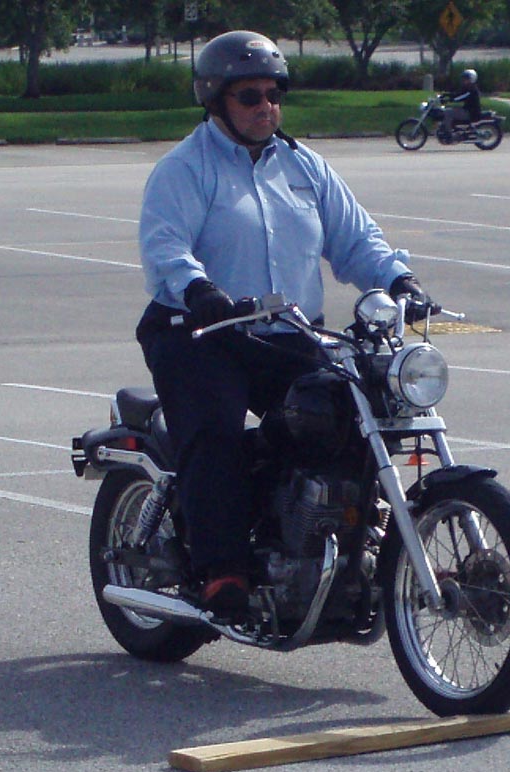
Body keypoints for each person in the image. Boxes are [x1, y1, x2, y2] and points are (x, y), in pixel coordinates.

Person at [135, 30, 437, 623]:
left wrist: (399, 280)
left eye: (275, 95)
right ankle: (223, 571)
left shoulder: (304, 167)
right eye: (250, 96)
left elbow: (357, 241)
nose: (266, 107)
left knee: (352, 412)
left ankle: (340, 544)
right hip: (199, 332)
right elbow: (165, 245)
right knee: (215, 430)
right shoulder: (185, 168)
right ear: (216, 100)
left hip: (288, 332)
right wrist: (198, 289)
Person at [441, 69, 482, 137]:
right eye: (463, 78)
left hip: (471, 113)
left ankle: (448, 133)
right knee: (448, 109)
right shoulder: (467, 87)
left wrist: (450, 100)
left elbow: (462, 97)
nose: (464, 80)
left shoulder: (472, 89)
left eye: (466, 78)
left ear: (472, 79)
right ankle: (448, 128)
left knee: (448, 112)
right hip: (467, 110)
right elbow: (458, 94)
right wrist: (446, 94)